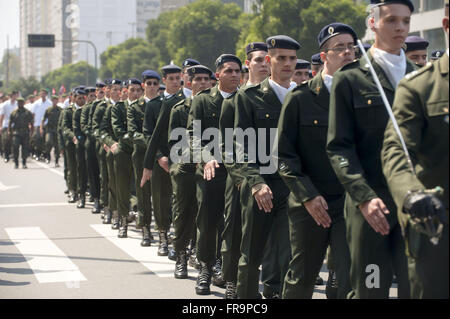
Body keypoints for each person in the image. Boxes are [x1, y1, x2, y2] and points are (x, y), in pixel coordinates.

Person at [326, 0, 416, 299]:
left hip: (414, 205)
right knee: (371, 289)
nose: (400, 27)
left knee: (416, 288)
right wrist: (364, 198)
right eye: (391, 20)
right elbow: (339, 147)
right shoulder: (350, 78)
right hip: (370, 207)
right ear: (373, 23)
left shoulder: (422, 77)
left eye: (405, 20)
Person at [277, 23, 358, 299]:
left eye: (351, 47)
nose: (347, 52)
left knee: (350, 278)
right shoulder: (301, 98)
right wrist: (308, 196)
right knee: (302, 278)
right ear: (324, 56)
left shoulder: (366, 96)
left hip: (350, 202)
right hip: (310, 202)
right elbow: (284, 156)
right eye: (340, 48)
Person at [381, 0, 449, 299]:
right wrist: (411, 193)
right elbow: (396, 150)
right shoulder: (420, 87)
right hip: (437, 222)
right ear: (447, 26)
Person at [229, 35, 299, 299]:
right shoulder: (249, 97)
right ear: (269, 61)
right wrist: (256, 182)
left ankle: (273, 293)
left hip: (292, 186)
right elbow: (241, 146)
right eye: (281, 58)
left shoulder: (303, 96)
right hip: (261, 184)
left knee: (286, 250)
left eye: (292, 58)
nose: (287, 64)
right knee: (252, 250)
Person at [185, 54, 241, 295]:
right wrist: (206, 158)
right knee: (207, 223)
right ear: (217, 75)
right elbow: (192, 135)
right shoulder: (203, 101)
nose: (234, 75)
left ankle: (230, 277)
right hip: (211, 171)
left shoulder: (246, 99)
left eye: (238, 71)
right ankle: (206, 268)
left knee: (234, 225)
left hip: (238, 171)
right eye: (228, 71)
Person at [219, 41, 270, 299]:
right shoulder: (234, 101)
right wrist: (241, 177)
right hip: (239, 176)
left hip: (270, 175)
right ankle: (232, 280)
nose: (265, 64)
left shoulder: (276, 96)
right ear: (248, 64)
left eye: (267, 59)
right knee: (236, 230)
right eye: (259, 60)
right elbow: (227, 145)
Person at [169, 64, 212, 279]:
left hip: (208, 168)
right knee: (183, 214)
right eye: (198, 79)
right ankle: (181, 257)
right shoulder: (179, 109)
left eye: (206, 79)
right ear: (189, 83)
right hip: (186, 168)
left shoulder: (216, 105)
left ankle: (204, 260)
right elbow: (176, 142)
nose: (203, 83)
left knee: (206, 217)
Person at [142, 65, 184, 256]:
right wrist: (159, 157)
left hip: (181, 158)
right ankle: (163, 236)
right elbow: (149, 134)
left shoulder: (186, 101)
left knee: (181, 200)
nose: (176, 82)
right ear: (164, 81)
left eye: (178, 78)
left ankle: (180, 240)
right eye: (172, 78)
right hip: (162, 158)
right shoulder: (154, 104)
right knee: (161, 198)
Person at [128, 70, 160, 245]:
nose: (153, 87)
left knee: (161, 194)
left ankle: (163, 230)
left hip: (161, 157)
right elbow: (133, 133)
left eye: (156, 83)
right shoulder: (134, 107)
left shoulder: (163, 104)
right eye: (149, 83)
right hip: (142, 155)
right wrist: (154, 146)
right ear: (143, 86)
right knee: (143, 194)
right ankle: (146, 228)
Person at [111, 79, 140, 238]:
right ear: (125, 92)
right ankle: (123, 222)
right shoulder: (118, 108)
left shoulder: (143, 107)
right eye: (132, 90)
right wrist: (137, 139)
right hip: (124, 151)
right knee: (122, 188)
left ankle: (140, 219)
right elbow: (118, 130)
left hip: (140, 151)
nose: (135, 93)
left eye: (138, 90)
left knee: (139, 186)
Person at [72, 88, 89, 209]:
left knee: (93, 173)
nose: (82, 100)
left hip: (92, 146)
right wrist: (81, 140)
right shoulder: (76, 113)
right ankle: (81, 195)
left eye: (84, 98)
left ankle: (95, 197)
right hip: (81, 146)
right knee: (81, 171)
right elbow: (76, 130)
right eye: (79, 98)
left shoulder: (90, 110)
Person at [8, 97, 33, 169]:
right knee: (15, 147)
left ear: (24, 103)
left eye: (21, 102)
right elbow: (10, 123)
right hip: (16, 133)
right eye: (19, 102)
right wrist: (9, 131)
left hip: (25, 133)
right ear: (17, 103)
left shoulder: (27, 112)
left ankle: (24, 163)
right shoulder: (14, 113)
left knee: (25, 148)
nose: (20, 103)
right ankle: (16, 163)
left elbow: (31, 123)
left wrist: (31, 132)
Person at [31, 89, 52, 161]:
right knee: (37, 139)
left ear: (46, 94)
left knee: (46, 140)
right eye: (41, 93)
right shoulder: (36, 103)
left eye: (44, 93)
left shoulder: (49, 103)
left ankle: (45, 154)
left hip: (46, 124)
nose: (43, 95)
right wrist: (32, 124)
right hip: (37, 124)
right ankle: (37, 154)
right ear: (40, 94)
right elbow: (33, 114)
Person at [41, 95, 62, 167]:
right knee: (48, 142)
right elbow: (43, 119)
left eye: (56, 100)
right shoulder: (48, 109)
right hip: (49, 129)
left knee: (57, 146)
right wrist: (41, 127)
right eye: (53, 100)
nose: (55, 101)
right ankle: (48, 155)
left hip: (57, 129)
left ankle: (56, 161)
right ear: (52, 101)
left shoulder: (60, 110)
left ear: (57, 101)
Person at [0, 91, 18, 163]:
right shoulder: (5, 104)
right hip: (6, 125)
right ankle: (6, 156)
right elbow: (2, 116)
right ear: (11, 96)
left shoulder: (17, 104)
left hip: (15, 126)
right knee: (6, 141)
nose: (14, 97)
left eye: (15, 95)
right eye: (13, 95)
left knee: (14, 141)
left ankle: (14, 156)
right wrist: (0, 126)